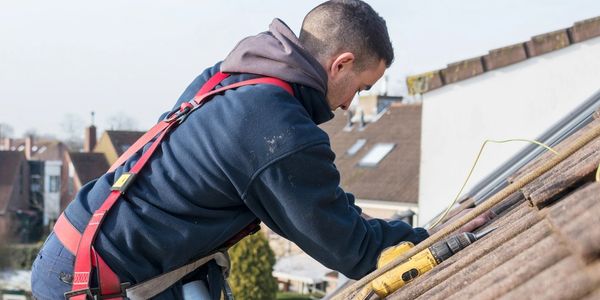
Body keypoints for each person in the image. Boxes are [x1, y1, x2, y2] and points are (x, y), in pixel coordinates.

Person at [31, 1, 455, 299]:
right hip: (92, 277)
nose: (348, 105)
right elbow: (352, 249)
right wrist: (427, 240)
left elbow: (313, 200)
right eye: (360, 88)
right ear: (340, 63)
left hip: (79, 247)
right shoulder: (276, 127)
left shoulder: (232, 77)